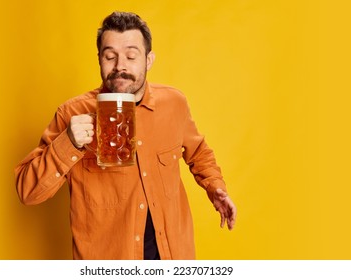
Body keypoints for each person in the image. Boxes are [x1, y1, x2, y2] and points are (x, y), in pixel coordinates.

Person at [15, 11, 236, 260]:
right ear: (99, 59)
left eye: (131, 56)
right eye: (110, 56)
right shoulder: (72, 114)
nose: (120, 66)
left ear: (148, 60)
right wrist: (68, 143)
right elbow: (28, 192)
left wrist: (215, 187)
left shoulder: (174, 103)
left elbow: (199, 152)